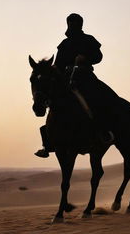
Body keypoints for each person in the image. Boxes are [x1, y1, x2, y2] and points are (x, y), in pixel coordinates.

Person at [35, 13, 119, 158]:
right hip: (66, 79)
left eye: (75, 23)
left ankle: (103, 130)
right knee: (53, 100)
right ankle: (48, 142)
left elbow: (98, 57)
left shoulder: (88, 40)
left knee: (102, 96)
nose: (72, 25)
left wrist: (85, 58)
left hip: (85, 76)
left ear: (80, 24)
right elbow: (59, 64)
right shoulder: (64, 44)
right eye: (70, 22)